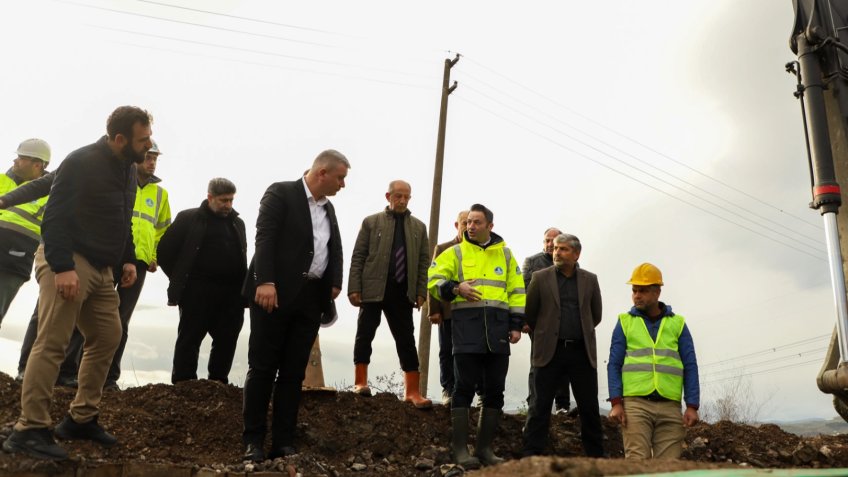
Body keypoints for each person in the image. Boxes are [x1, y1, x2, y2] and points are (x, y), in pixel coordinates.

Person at [2, 106, 152, 461]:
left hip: (103, 268)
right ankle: (30, 428)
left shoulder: (128, 170)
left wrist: (128, 257)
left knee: (108, 336)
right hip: (68, 259)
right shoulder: (83, 161)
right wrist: (62, 266)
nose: (148, 146)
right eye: (143, 139)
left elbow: (123, 216)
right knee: (53, 340)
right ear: (120, 139)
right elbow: (54, 215)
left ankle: (81, 418)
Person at [11, 141, 172, 390]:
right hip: (84, 252)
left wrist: (141, 256)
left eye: (155, 157)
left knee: (111, 326)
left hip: (126, 258)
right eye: (147, 153)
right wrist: (6, 200)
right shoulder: (89, 164)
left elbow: (145, 224)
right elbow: (49, 195)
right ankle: (36, 378)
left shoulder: (150, 188)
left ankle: (89, 380)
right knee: (56, 317)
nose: (151, 161)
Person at [241, 150, 349, 463]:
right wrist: (266, 281)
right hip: (273, 294)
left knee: (292, 373)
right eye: (340, 177)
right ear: (322, 173)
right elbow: (265, 237)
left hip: (310, 299)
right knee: (262, 368)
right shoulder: (281, 193)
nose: (343, 184)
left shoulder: (328, 209)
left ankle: (283, 443)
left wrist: (334, 282)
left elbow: (334, 247)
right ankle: (253, 442)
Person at [428, 203, 524, 468]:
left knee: (495, 390)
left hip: (497, 332)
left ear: (490, 226)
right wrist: (456, 288)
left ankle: (484, 449)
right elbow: (433, 280)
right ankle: (460, 449)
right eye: (468, 222)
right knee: (463, 388)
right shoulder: (455, 252)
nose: (470, 226)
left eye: (476, 222)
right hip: (466, 330)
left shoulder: (505, 255)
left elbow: (517, 291)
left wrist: (516, 325)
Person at [348, 180, 432, 408]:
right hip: (373, 288)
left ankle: (413, 392)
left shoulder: (418, 227)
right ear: (388, 196)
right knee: (365, 333)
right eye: (398, 196)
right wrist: (354, 287)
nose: (403, 200)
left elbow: (425, 263)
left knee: (406, 339)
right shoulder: (371, 222)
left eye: (407, 197)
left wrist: (421, 291)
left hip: (403, 290)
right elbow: (358, 256)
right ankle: (360, 382)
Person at [157, 177, 246, 384]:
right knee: (190, 337)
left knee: (227, 338)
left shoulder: (237, 223)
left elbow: (241, 256)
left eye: (231, 200)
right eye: (223, 200)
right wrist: (181, 279)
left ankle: (218, 381)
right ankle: (184, 383)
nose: (228, 205)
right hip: (197, 291)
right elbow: (164, 252)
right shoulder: (189, 218)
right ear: (210, 197)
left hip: (231, 294)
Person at [522, 234, 604, 457]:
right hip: (550, 350)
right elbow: (530, 313)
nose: (557, 252)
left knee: (588, 406)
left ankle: (596, 456)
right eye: (556, 248)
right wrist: (546, 332)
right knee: (539, 405)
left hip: (581, 351)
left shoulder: (590, 279)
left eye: (564, 249)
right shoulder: (540, 277)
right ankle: (531, 454)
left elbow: (595, 315)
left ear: (576, 254)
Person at [607, 263, 700, 459]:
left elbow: (690, 365)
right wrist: (616, 402)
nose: (637, 295)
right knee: (637, 464)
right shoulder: (624, 322)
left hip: (670, 406)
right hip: (635, 405)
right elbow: (614, 364)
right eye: (634, 290)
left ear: (657, 292)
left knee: (668, 468)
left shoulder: (678, 323)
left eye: (643, 290)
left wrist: (692, 405)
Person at [0, 138, 51, 327]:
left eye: (21, 158)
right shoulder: (1, 180)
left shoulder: (50, 194)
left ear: (37, 164)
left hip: (13, 261)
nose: (15, 161)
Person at [523, 227, 573, 416]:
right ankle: (533, 402)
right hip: (540, 323)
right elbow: (524, 291)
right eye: (547, 240)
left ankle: (562, 405)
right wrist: (525, 320)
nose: (550, 244)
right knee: (537, 362)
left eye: (554, 240)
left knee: (563, 363)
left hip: (563, 323)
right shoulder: (532, 262)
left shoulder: (568, 263)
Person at [428, 210, 469, 405]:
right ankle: (448, 390)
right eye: (464, 223)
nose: (468, 226)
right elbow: (433, 279)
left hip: (472, 311)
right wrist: (434, 310)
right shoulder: (443, 248)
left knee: (470, 353)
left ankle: (469, 392)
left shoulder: (480, 250)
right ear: (457, 225)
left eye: (471, 222)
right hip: (448, 310)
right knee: (446, 350)